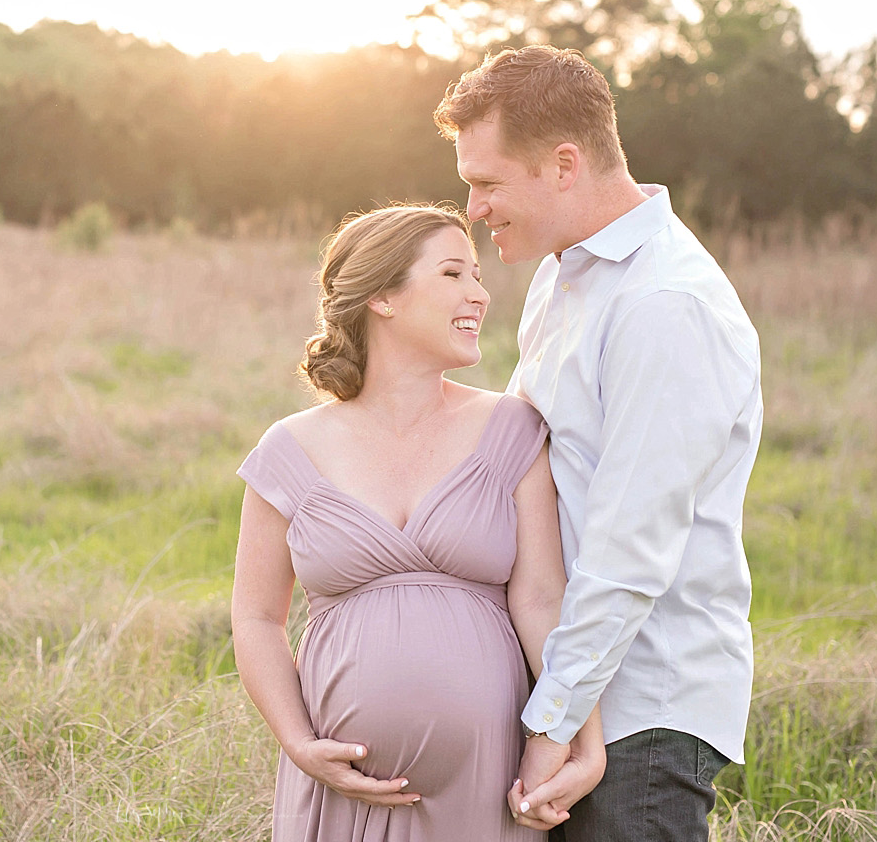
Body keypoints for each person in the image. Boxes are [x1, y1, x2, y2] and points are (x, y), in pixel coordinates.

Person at [433, 45, 763, 841]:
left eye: (486, 182)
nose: (473, 209)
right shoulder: (564, 275)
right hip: (578, 693)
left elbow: (628, 549)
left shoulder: (666, 303)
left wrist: (553, 725)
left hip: (637, 715)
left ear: (564, 164)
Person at [231, 204, 605, 842]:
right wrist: (298, 744)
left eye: (478, 276)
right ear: (382, 296)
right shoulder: (289, 450)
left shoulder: (511, 430)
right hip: (340, 794)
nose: (480, 295)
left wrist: (582, 741)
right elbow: (256, 618)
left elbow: (544, 602)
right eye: (454, 274)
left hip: (489, 793)